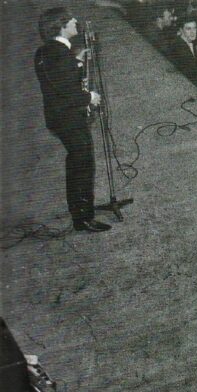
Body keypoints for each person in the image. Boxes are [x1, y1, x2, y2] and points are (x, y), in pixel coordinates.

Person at [34, 8, 109, 233]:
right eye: (70, 20)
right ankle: (83, 217)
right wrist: (90, 97)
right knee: (83, 163)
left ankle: (79, 209)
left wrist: (75, 61)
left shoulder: (46, 51)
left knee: (77, 161)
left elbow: (56, 80)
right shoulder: (60, 54)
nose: (75, 21)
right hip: (69, 118)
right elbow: (68, 91)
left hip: (58, 117)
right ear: (60, 26)